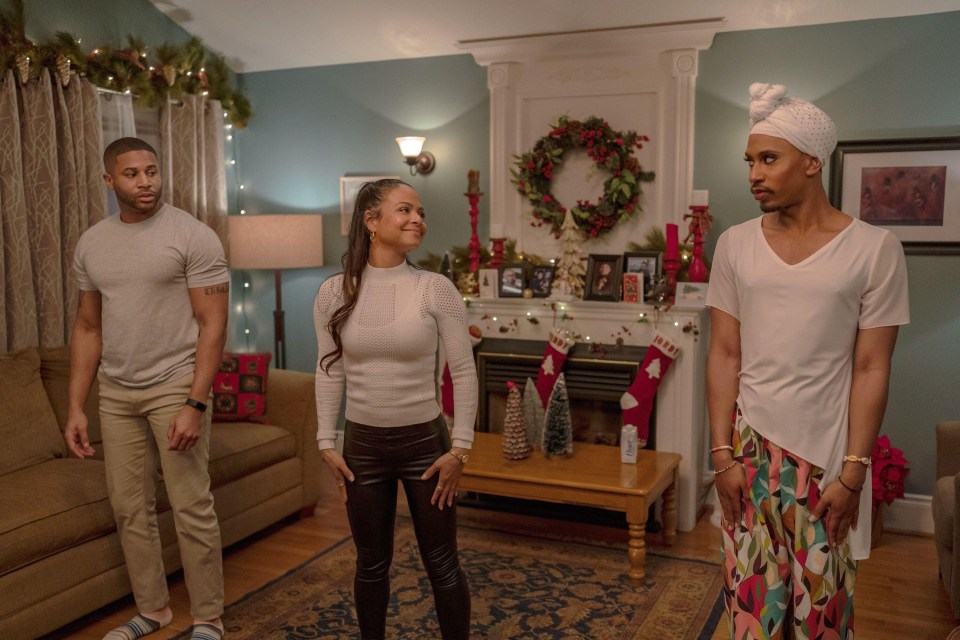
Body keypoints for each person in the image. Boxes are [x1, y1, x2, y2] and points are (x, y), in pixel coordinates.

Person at [706, 83, 909, 639]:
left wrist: (853, 470)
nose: (754, 174)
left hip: (827, 462)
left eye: (769, 159)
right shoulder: (734, 245)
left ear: (813, 161)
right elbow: (724, 353)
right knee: (752, 618)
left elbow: (872, 368)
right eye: (750, 160)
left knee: (821, 619)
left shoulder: (874, 249)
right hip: (747, 456)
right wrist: (723, 457)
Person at [66, 137, 229, 640]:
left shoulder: (193, 235)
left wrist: (194, 402)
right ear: (109, 180)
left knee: (190, 504)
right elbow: (88, 327)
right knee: (128, 507)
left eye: (152, 172)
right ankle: (153, 610)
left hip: (174, 385)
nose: (146, 182)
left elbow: (213, 326)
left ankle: (208, 618)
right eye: (133, 174)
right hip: (116, 391)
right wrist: (76, 406)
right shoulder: (92, 243)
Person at [314, 179, 477, 640]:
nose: (417, 220)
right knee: (370, 564)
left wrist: (460, 448)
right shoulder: (332, 293)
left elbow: (463, 372)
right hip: (362, 448)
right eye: (404, 210)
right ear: (371, 221)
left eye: (420, 212)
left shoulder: (435, 289)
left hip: (427, 446)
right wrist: (327, 442)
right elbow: (329, 371)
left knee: (442, 563)